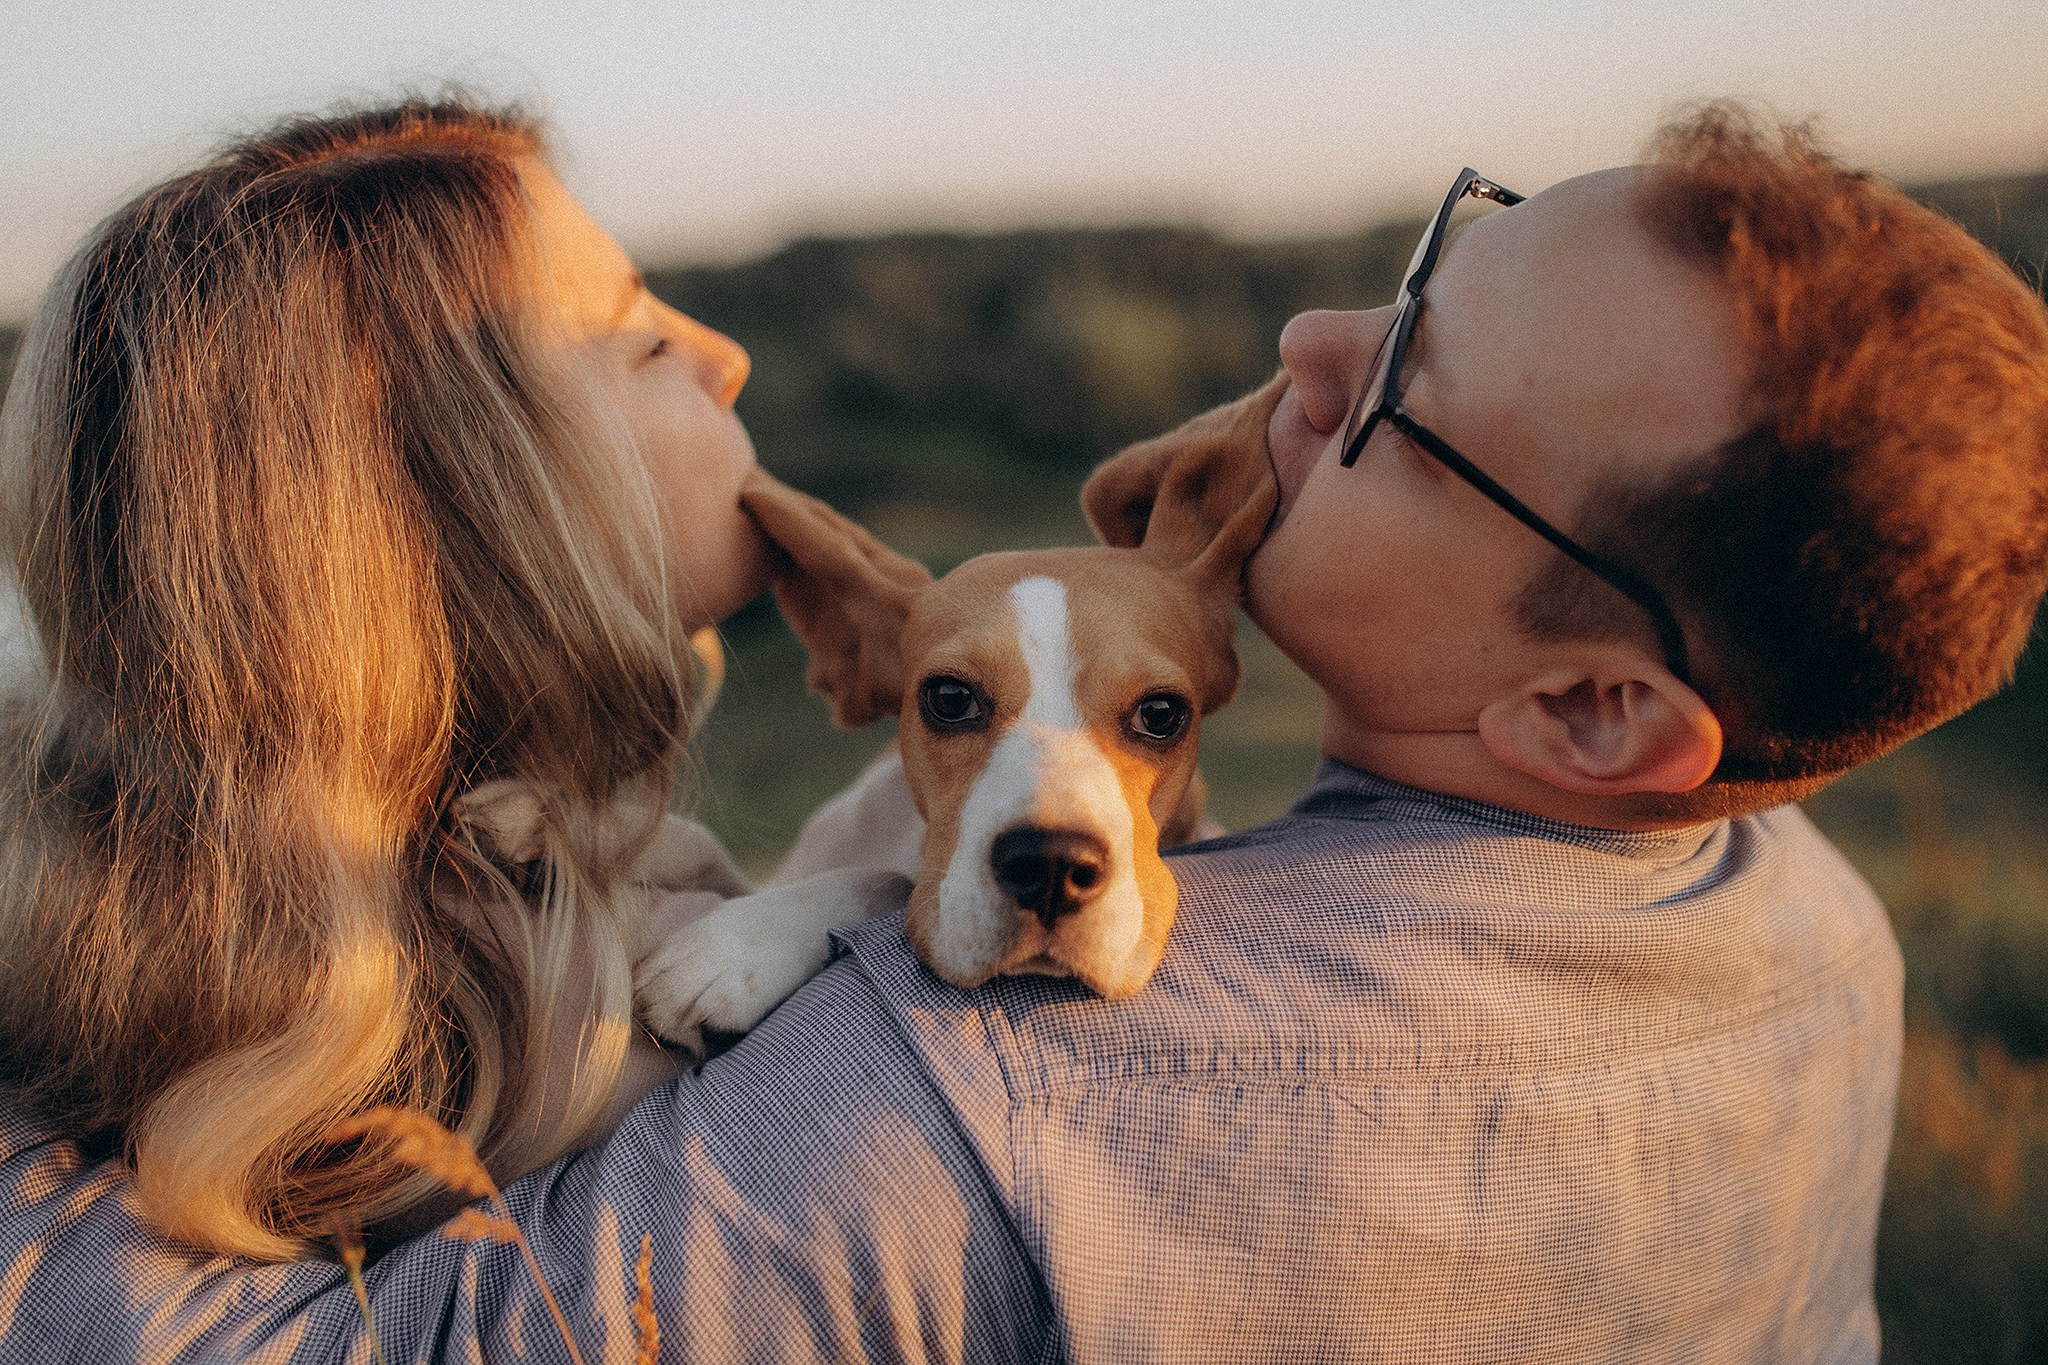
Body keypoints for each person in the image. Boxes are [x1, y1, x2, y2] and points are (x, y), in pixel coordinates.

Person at [1, 97, 2045, 1362]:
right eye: (1432, 250)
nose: (1305, 341)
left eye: (1406, 387)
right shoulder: (1797, 911)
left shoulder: (996, 1107)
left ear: (1601, 706)